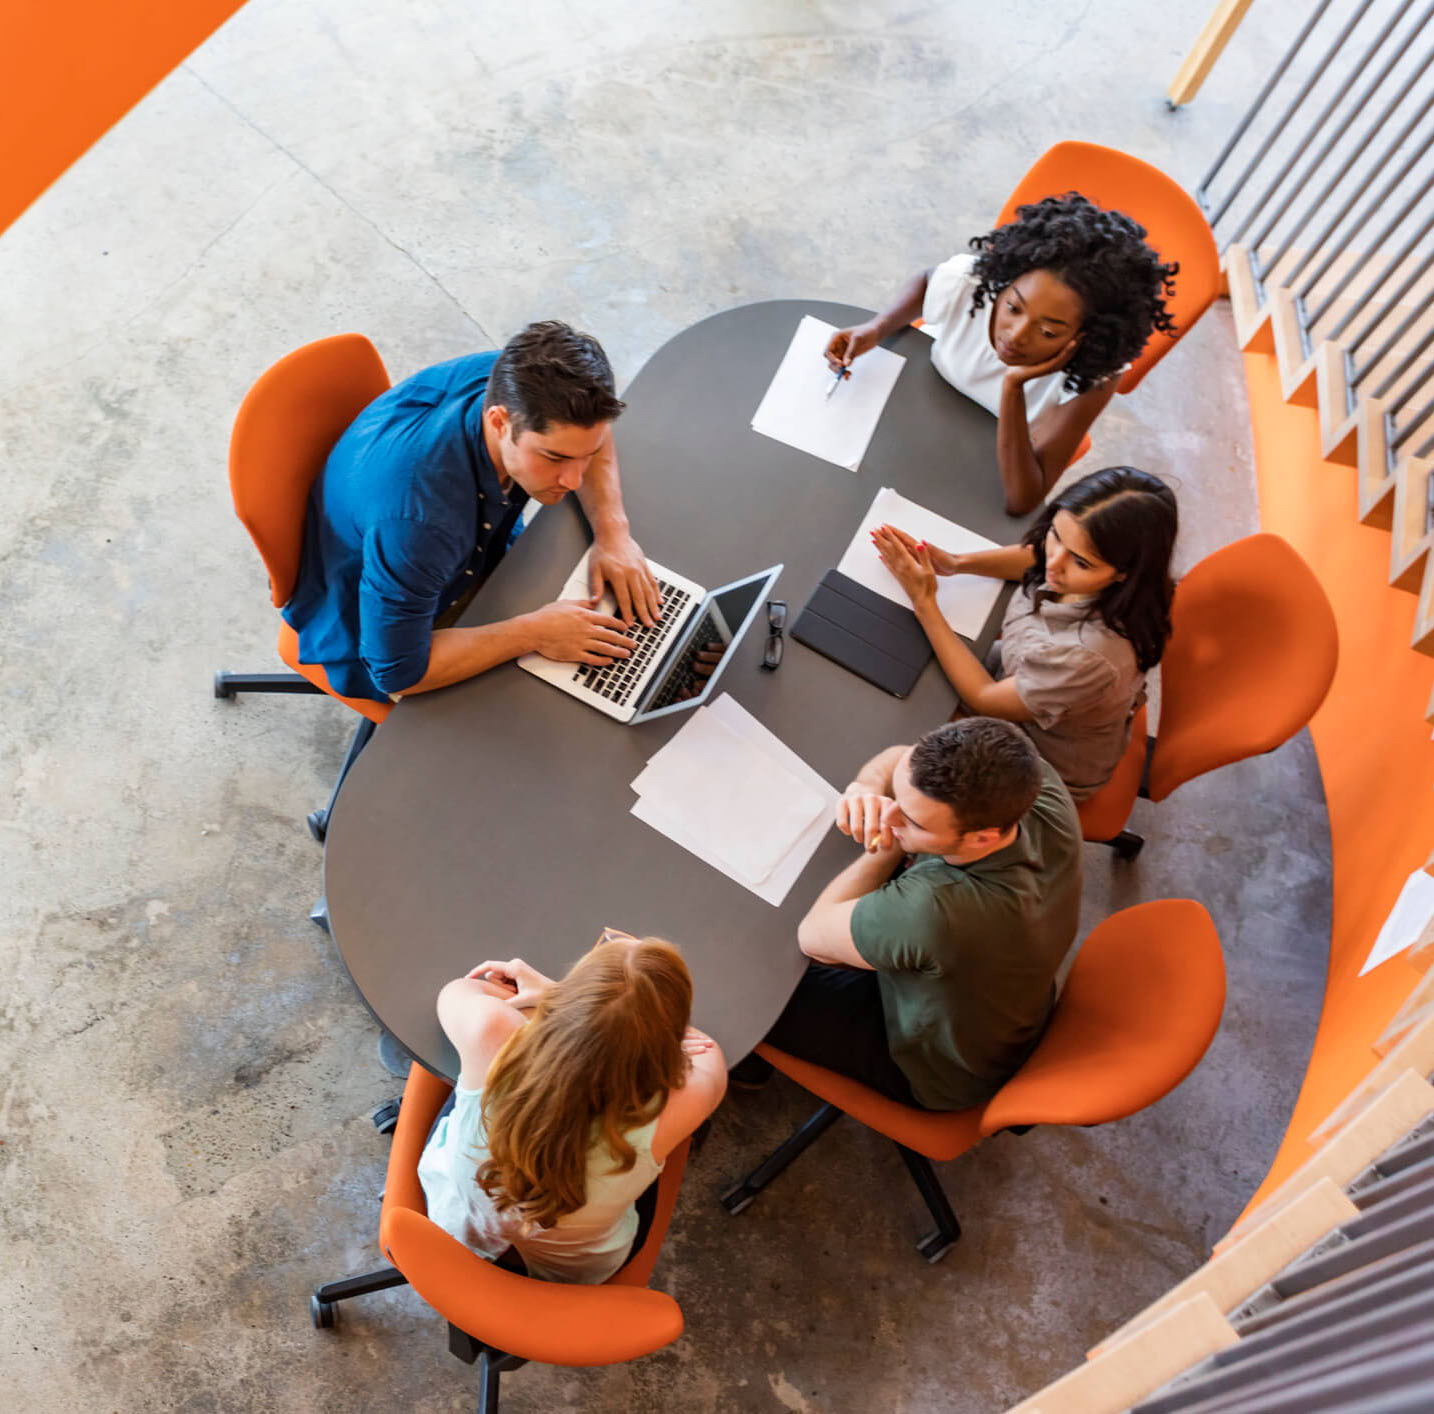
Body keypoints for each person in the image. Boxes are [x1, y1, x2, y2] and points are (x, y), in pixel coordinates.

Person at [283, 320, 660, 704]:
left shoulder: (522, 385)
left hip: (458, 552)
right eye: (554, 458)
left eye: (587, 456)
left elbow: (586, 433)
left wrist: (613, 534)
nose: (573, 480)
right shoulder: (420, 526)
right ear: (499, 422)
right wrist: (535, 632)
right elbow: (397, 671)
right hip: (379, 629)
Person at [737, 719, 1081, 1112]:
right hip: (995, 1008)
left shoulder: (939, 908)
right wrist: (865, 788)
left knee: (750, 972)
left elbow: (814, 938)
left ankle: (746, 1060)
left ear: (981, 837)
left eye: (913, 821)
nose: (894, 814)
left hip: (931, 1065)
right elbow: (900, 758)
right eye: (897, 796)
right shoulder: (1029, 782)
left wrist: (886, 842)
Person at [824, 194, 1178, 514]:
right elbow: (927, 280)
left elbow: (1022, 500)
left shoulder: (1091, 377)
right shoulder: (972, 283)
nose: (1016, 335)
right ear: (1004, 283)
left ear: (1085, 337)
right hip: (912, 413)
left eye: (1049, 331)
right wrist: (877, 327)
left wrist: (1013, 388)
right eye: (1013, 307)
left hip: (975, 462)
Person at [418, 931, 727, 1284]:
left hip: (458, 1222)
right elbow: (706, 1050)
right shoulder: (684, 1101)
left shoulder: (493, 1030)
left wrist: (563, 1003)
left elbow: (457, 990)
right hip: (571, 1273)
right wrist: (633, 1024)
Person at [872, 466, 1177, 801]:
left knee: (888, 748)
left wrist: (925, 602)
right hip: (1015, 680)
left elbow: (986, 700)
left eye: (1081, 562)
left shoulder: (1087, 656)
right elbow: (1035, 558)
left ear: (1125, 573)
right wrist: (957, 563)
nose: (1053, 564)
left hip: (1036, 762)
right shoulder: (1078, 566)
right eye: (1056, 535)